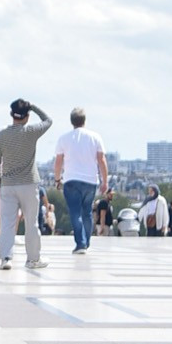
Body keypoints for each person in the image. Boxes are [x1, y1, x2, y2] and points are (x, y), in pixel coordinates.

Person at [0, 98, 50, 271]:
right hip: (29, 183)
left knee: (7, 222)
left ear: (11, 115)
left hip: (8, 184)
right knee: (31, 223)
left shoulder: (1, 135)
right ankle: (33, 259)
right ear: (27, 116)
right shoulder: (31, 131)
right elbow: (48, 121)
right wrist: (34, 106)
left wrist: (0, 180)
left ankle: (6, 258)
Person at [52, 108, 107, 257]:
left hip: (71, 180)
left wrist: (57, 179)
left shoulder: (64, 138)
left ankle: (80, 243)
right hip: (90, 180)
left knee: (75, 213)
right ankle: (86, 241)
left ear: (71, 121)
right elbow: (101, 160)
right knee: (87, 212)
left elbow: (58, 162)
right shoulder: (95, 137)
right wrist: (105, 181)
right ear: (84, 120)